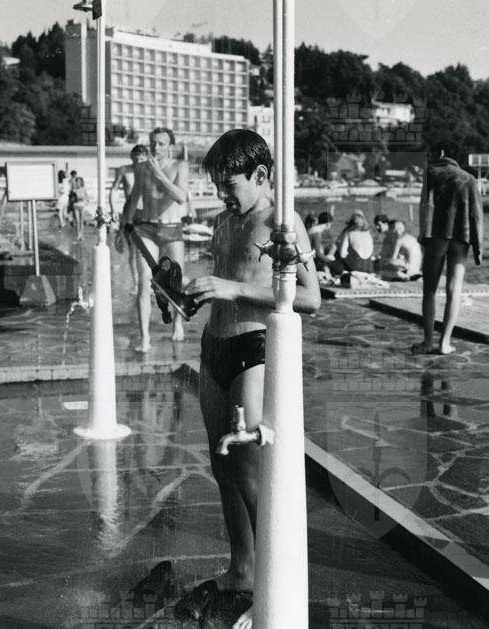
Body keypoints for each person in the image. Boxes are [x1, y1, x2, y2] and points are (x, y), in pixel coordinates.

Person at [180, 129, 320, 627]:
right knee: (222, 468)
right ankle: (242, 569)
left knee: (249, 472)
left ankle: (276, 582)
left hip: (251, 351)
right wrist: (188, 297)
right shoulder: (223, 221)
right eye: (216, 184)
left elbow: (310, 299)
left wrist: (230, 288)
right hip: (214, 347)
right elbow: (227, 280)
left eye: (229, 183)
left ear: (260, 175)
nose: (222, 193)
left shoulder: (283, 223)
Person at [124, 127, 190, 350]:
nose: (156, 147)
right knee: (145, 282)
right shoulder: (142, 168)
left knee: (175, 281)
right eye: (153, 143)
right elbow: (134, 198)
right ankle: (145, 337)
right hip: (146, 228)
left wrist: (159, 173)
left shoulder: (180, 166)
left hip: (172, 229)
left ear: (170, 145)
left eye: (161, 143)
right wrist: (124, 228)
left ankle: (177, 324)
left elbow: (181, 197)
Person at [412, 152, 483, 355]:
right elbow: (477, 215)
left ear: (441, 154)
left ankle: (427, 342)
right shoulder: (469, 179)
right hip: (462, 236)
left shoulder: (431, 173)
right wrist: (478, 248)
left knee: (429, 290)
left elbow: (424, 206)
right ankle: (445, 343)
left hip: (437, 234)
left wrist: (422, 236)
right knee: (455, 290)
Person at [111, 144, 149, 295]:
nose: (138, 162)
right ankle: (136, 284)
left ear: (147, 158)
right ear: (131, 158)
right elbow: (113, 190)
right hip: (130, 211)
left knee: (149, 249)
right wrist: (114, 209)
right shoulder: (124, 170)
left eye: (142, 159)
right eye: (136, 159)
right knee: (133, 249)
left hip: (148, 210)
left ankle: (148, 282)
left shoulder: (151, 171)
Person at [71, 176, 88, 240]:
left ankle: (81, 234)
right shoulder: (74, 189)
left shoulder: (84, 189)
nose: (77, 183)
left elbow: (87, 197)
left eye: (78, 182)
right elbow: (72, 198)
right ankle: (78, 234)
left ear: (81, 182)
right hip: (76, 205)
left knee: (81, 221)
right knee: (77, 221)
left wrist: (85, 202)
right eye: (76, 181)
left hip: (82, 206)